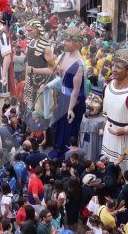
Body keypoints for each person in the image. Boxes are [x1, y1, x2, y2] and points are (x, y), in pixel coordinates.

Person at [47, 27, 87, 160]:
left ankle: (68, 155)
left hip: (73, 101)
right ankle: (59, 147)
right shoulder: (63, 55)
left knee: (68, 128)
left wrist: (70, 108)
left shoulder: (79, 64)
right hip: (63, 97)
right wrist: (50, 62)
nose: (65, 42)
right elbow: (60, 74)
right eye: (65, 39)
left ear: (76, 43)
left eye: (68, 40)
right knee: (60, 126)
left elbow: (76, 90)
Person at [24, 19, 54, 114]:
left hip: (42, 83)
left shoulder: (46, 47)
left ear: (38, 29)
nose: (28, 33)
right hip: (30, 82)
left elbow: (52, 70)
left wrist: (34, 70)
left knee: (41, 112)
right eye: (27, 30)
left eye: (30, 30)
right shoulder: (31, 42)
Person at [79, 87, 104, 161]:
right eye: (89, 98)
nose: (89, 103)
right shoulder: (84, 116)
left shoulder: (101, 121)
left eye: (95, 101)